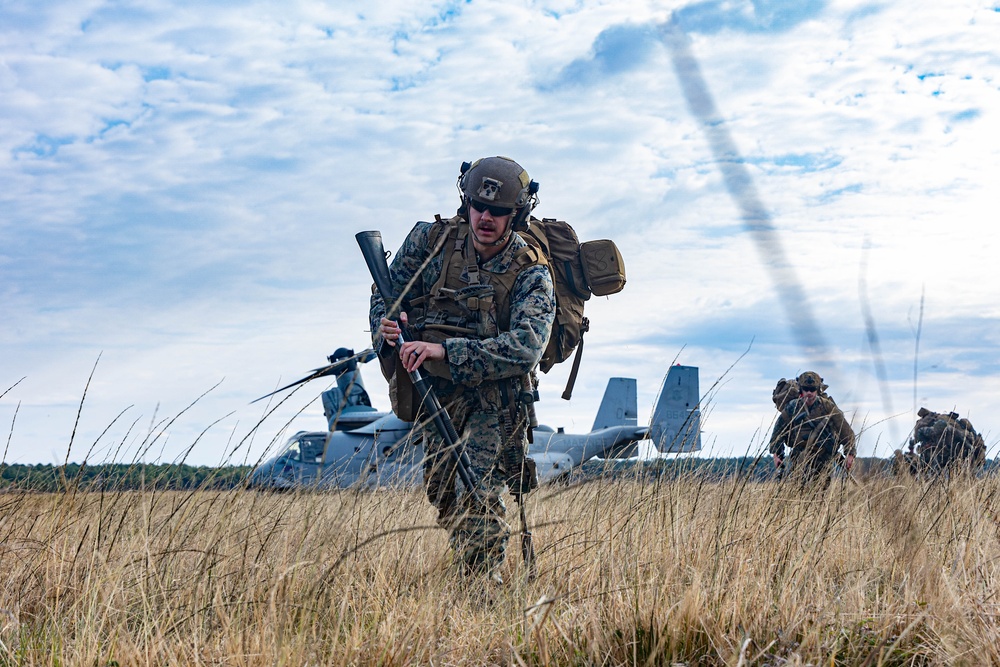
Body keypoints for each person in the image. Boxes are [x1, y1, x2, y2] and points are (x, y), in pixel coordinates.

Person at [369, 156, 555, 584]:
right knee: (442, 489)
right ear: (466, 202)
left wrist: (444, 352)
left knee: (477, 490)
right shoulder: (431, 241)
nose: (486, 217)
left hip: (496, 398)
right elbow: (386, 290)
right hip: (436, 394)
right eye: (478, 206)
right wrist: (388, 328)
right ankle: (474, 571)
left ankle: (482, 587)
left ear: (517, 214)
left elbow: (526, 346)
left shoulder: (530, 269)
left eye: (499, 211)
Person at [769, 371, 856, 487]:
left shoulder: (828, 407)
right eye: (806, 389)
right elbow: (778, 430)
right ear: (800, 390)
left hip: (823, 456)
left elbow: (845, 431)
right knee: (797, 490)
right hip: (799, 455)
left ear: (818, 389)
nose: (809, 393)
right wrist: (777, 454)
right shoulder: (792, 407)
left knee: (821, 491)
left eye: (813, 389)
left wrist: (850, 454)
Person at [909, 407, 985, 476]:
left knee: (934, 472)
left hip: (948, 453)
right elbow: (919, 434)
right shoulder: (932, 429)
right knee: (933, 472)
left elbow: (964, 441)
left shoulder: (952, 430)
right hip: (940, 452)